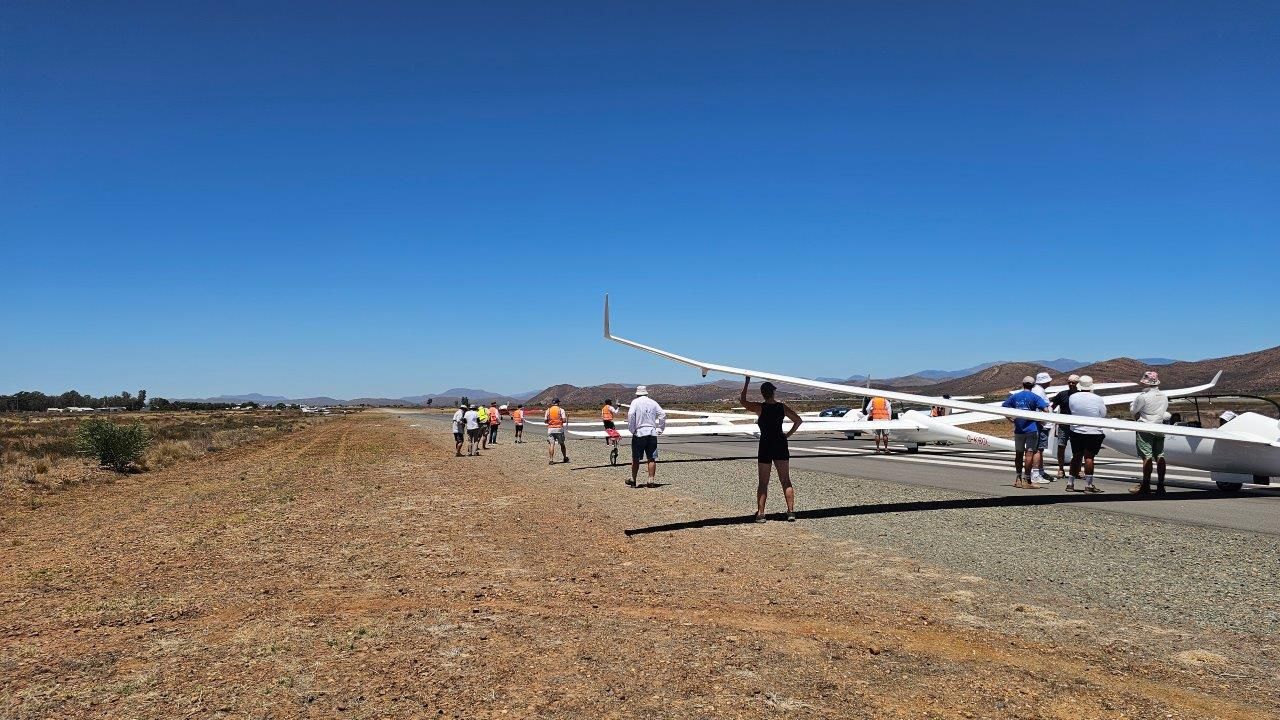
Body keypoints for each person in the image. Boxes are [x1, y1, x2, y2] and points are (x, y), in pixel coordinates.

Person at [741, 377, 803, 522]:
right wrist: (787, 435)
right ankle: (791, 512)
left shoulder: (760, 408)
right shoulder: (781, 407)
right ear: (773, 392)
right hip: (780, 444)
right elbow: (798, 420)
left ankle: (761, 513)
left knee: (763, 482)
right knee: (785, 480)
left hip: (766, 445)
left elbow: (743, 401)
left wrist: (747, 383)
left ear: (762, 393)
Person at [1002, 376, 1049, 489]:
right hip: (1031, 429)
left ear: (1022, 384)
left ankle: (1018, 478)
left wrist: (1011, 419)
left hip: (1019, 429)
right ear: (1033, 386)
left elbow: (1004, 407)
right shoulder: (1035, 397)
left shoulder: (1015, 396)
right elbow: (1046, 410)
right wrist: (1040, 420)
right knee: (1029, 454)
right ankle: (1027, 480)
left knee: (1018, 454)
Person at [1130, 371, 1169, 494]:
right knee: (1160, 455)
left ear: (1147, 383)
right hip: (1159, 427)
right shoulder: (1164, 396)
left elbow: (1134, 411)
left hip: (1145, 427)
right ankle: (1161, 485)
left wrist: (1132, 406)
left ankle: (1146, 484)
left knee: (1147, 457)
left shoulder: (1143, 397)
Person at [1068, 375, 1107, 493]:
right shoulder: (1098, 398)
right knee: (1089, 458)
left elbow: (1071, 410)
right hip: (1093, 431)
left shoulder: (1072, 397)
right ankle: (1088, 485)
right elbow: (1103, 414)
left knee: (1076, 456)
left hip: (1076, 430)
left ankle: (1070, 483)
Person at [626, 385, 667, 488]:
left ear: (637, 394)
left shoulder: (635, 402)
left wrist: (632, 429)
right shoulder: (653, 402)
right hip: (652, 432)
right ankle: (651, 479)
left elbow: (631, 414)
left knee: (636, 458)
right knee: (651, 457)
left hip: (639, 433)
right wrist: (660, 429)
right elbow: (662, 414)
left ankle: (633, 479)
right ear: (646, 393)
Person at [1050, 375, 1080, 479]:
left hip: (1076, 425)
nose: (1071, 384)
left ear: (1077, 383)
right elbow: (1052, 406)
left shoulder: (1080, 395)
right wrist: (1053, 419)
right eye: (1069, 382)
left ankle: (1078, 469)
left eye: (1073, 382)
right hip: (1063, 425)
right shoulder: (1062, 394)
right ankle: (1061, 469)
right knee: (1061, 446)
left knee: (1078, 448)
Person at [1030, 372, 1054, 483]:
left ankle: (1040, 471)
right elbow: (1040, 408)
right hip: (1041, 424)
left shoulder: (1036, 390)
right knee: (1038, 449)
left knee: (1040, 449)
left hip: (1039, 423)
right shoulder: (1039, 391)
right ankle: (1036, 474)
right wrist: (1042, 422)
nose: (1050, 382)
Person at [545, 398, 570, 464]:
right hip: (559, 429)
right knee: (562, 444)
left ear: (552, 403)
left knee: (551, 444)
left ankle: (551, 460)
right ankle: (565, 458)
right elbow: (564, 420)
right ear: (558, 403)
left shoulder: (548, 410)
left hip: (550, 429)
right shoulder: (561, 410)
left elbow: (545, 421)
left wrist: (551, 421)